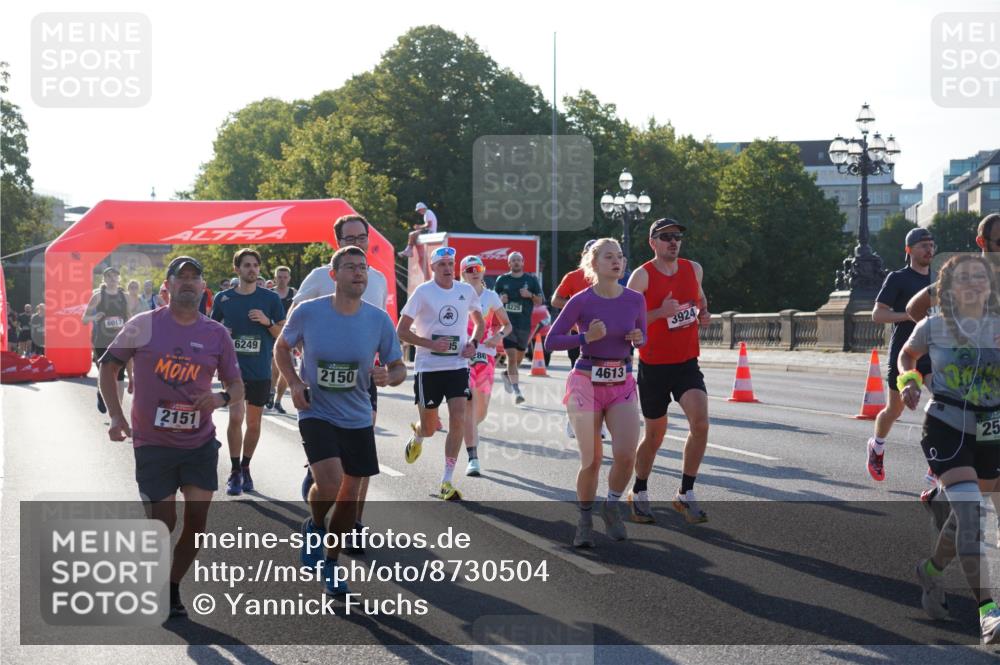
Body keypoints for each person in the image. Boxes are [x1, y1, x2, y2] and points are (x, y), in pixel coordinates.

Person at [99, 255, 244, 618]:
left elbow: (237, 385)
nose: (189, 283)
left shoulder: (216, 334)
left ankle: (172, 586)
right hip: (153, 443)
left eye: (196, 278)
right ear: (168, 287)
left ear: (203, 288)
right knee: (163, 523)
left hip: (199, 442)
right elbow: (108, 365)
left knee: (196, 522)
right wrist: (116, 415)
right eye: (182, 278)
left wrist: (220, 398)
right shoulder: (142, 325)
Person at [275, 245, 406, 596]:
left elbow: (398, 367)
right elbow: (282, 348)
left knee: (349, 496)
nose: (359, 273)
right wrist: (294, 382)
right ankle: (315, 525)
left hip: (358, 413)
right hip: (316, 408)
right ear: (334, 276)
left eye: (362, 267)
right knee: (330, 484)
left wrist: (388, 376)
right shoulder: (308, 312)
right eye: (350, 267)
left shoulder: (379, 319)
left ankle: (332, 563)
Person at [899, 254, 1000, 643]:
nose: (974, 283)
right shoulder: (933, 326)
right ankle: (988, 613)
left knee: (963, 517)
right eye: (964, 279)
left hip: (991, 428)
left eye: (981, 277)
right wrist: (908, 381)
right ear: (949, 289)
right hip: (946, 425)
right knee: (972, 516)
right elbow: (907, 356)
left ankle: (932, 569)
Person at [293, 214, 390, 543]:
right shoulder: (322, 276)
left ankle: (353, 524)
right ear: (338, 243)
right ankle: (319, 477)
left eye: (361, 237)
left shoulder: (377, 279)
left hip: (362, 383)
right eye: (349, 238)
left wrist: (386, 369)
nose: (356, 243)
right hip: (319, 385)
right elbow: (296, 318)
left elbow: (380, 326)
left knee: (360, 460)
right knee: (332, 472)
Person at [545, 238, 646, 547]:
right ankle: (585, 518)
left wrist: (639, 338)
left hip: (622, 382)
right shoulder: (581, 300)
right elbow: (551, 341)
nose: (617, 261)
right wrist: (586, 337)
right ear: (594, 264)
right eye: (609, 257)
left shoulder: (634, 300)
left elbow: (643, 340)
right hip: (586, 381)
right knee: (592, 460)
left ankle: (611, 505)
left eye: (620, 257)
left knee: (627, 455)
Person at [626, 218, 712, 525]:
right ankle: (639, 490)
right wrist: (660, 312)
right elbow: (627, 321)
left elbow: (700, 300)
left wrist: (703, 313)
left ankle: (686, 493)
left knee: (700, 423)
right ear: (653, 243)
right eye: (666, 237)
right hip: (653, 366)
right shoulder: (641, 277)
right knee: (655, 436)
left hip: (687, 362)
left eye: (677, 236)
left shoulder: (694, 269)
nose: (673, 241)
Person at [396, 246, 485, 500]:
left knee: (458, 418)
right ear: (433, 268)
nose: (447, 268)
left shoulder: (465, 291)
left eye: (450, 264)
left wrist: (473, 344)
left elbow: (480, 323)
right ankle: (419, 433)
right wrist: (431, 344)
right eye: (442, 264)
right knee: (430, 427)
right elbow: (401, 331)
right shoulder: (423, 293)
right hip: (428, 369)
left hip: (457, 367)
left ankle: (446, 480)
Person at [210, 248, 286, 495]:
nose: (251, 269)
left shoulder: (270, 299)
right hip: (232, 371)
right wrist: (222, 332)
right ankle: (233, 471)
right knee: (235, 417)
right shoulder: (224, 299)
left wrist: (267, 322)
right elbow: (212, 331)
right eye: (246, 265)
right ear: (237, 269)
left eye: (255, 265)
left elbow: (281, 336)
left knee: (253, 423)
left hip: (260, 370)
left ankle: (245, 466)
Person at [866, 228, 936, 481]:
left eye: (931, 245)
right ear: (909, 250)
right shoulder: (898, 278)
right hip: (904, 353)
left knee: (943, 404)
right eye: (922, 245)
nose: (929, 250)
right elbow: (878, 314)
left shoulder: (939, 278)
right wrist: (910, 314)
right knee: (894, 410)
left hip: (933, 352)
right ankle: (877, 446)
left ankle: (938, 463)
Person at [459, 255, 513, 476]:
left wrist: (497, 337)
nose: (474, 271)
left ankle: (472, 427)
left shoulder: (490, 297)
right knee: (470, 405)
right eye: (469, 268)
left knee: (481, 410)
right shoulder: (456, 293)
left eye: (478, 267)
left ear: (483, 270)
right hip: (462, 357)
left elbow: (507, 325)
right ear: (462, 273)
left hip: (486, 356)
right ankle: (473, 458)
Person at [494, 251, 544, 405]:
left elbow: (540, 301)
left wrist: (530, 295)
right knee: (511, 357)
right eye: (513, 260)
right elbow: (492, 301)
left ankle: (507, 375)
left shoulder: (531, 280)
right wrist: (500, 300)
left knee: (519, 358)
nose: (516, 262)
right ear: (509, 264)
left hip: (524, 325)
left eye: (518, 260)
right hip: (508, 325)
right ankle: (517, 391)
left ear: (523, 263)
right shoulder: (502, 280)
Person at [82, 267, 130, 413]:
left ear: (119, 278)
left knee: (120, 373)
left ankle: (118, 411)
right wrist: (93, 317)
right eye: (109, 276)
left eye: (115, 276)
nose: (112, 278)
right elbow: (84, 319)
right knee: (105, 371)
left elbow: (129, 316)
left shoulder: (124, 296)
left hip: (119, 339)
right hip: (101, 340)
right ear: (104, 279)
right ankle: (100, 392)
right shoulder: (98, 296)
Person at [267, 266, 298, 414]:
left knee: (287, 369)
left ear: (289, 278)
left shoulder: (294, 293)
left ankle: (278, 400)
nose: (282, 280)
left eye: (285, 277)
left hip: (289, 334)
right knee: (275, 367)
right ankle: (271, 392)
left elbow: (299, 312)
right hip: (272, 333)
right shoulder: (269, 294)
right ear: (274, 278)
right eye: (279, 277)